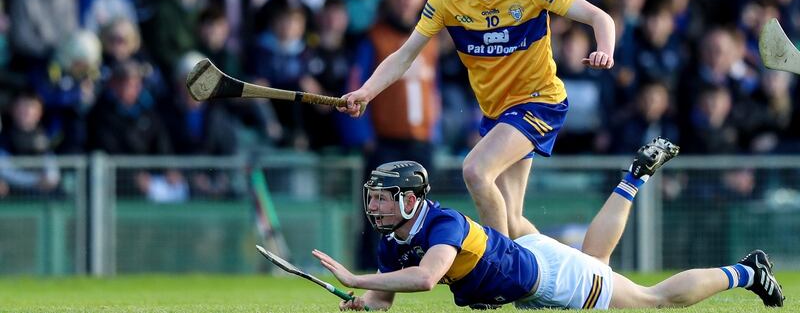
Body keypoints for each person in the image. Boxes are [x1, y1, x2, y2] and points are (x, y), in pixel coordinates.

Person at [339, 0, 616, 238]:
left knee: (475, 170)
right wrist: (367, 92)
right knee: (512, 222)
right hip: (498, 113)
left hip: (539, 102)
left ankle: (496, 268)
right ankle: (570, 271)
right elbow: (404, 55)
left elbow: (600, 17)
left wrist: (605, 50)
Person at [311, 138, 785, 310]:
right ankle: (632, 178)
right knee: (595, 260)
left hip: (549, 279)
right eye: (371, 198)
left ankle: (747, 271)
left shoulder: (443, 225)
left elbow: (428, 277)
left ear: (411, 200)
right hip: (530, 264)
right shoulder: (394, 242)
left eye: (382, 199)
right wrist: (361, 303)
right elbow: (382, 302)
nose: (373, 207)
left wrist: (355, 277)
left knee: (653, 300)